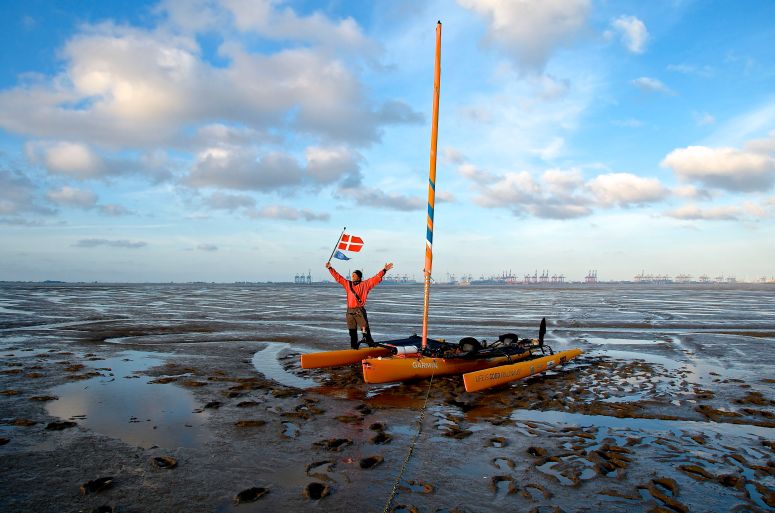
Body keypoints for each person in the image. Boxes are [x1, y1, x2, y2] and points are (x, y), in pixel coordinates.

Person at [325, 261, 394, 349]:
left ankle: (372, 348)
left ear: (359, 277)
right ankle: (354, 349)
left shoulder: (365, 284)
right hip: (349, 312)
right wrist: (330, 268)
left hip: (359, 311)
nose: (352, 276)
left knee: (365, 333)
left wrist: (384, 270)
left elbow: (376, 278)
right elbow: (338, 277)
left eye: (354, 275)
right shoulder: (348, 284)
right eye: (352, 275)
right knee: (352, 333)